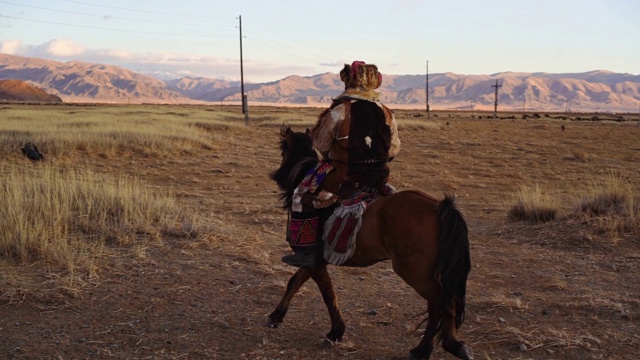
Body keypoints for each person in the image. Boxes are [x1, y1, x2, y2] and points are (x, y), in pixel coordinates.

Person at [282, 61, 401, 267]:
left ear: (349, 82)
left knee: (300, 195)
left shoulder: (339, 111)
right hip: (377, 176)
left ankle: (307, 250)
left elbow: (320, 144)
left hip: (342, 178)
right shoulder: (387, 113)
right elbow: (393, 149)